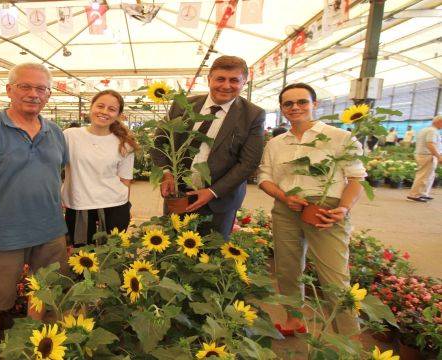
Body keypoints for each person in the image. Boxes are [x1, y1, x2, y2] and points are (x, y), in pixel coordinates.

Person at [0, 63, 69, 358]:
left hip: (49, 229)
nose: (34, 94)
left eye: (41, 88)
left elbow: (57, 174)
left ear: (48, 94)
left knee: (45, 287)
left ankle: (35, 335)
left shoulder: (55, 132)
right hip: (1, 230)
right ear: (9, 90)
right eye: (25, 87)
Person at [258, 83, 366, 335]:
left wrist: (343, 209)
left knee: (334, 277)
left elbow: (356, 179)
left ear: (314, 104)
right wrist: (284, 197)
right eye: (288, 103)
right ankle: (294, 320)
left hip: (326, 211)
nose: (295, 107)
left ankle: (348, 339)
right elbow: (264, 177)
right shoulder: (275, 144)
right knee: (287, 269)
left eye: (302, 102)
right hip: (286, 209)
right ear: (282, 109)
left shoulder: (339, 137)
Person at [151, 55, 265, 238]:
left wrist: (213, 191)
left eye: (234, 80)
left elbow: (249, 162)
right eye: (220, 79)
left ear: (244, 82)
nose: (226, 86)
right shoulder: (183, 105)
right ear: (209, 79)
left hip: (220, 201)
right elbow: (159, 142)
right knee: (172, 249)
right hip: (178, 195)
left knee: (211, 255)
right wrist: (166, 172)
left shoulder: (252, 115)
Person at [62, 90, 138, 246]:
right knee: (81, 257)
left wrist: (125, 207)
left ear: (118, 115)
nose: (104, 112)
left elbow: (125, 180)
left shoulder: (124, 143)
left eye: (111, 109)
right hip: (79, 206)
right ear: (91, 107)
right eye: (100, 106)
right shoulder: (70, 136)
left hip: (114, 206)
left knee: (110, 256)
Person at [407, 116, 442, 202]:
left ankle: (423, 193)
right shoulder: (432, 131)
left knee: (429, 175)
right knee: (423, 175)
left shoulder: (427, 129)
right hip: (427, 155)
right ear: (439, 122)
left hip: (425, 154)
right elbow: (430, 144)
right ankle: (414, 194)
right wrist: (439, 156)